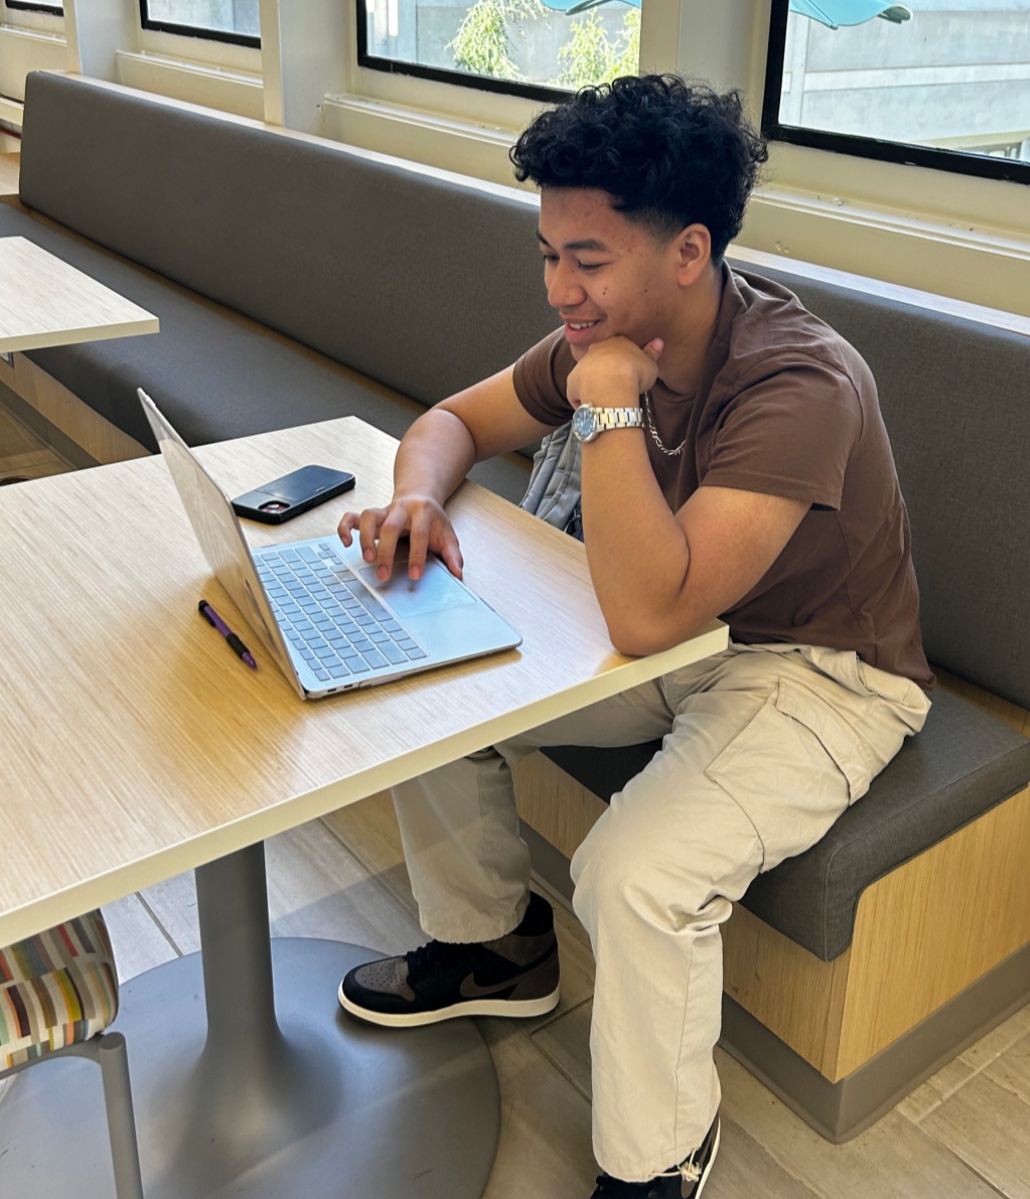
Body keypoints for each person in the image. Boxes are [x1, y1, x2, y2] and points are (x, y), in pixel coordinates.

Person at [335, 74, 934, 1199]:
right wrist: (417, 494)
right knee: (430, 681)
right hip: (684, 642)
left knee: (633, 871)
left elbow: (653, 611)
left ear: (689, 251)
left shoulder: (796, 381)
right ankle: (491, 948)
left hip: (820, 671)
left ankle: (659, 1156)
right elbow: (452, 422)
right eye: (548, 253)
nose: (561, 288)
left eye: (588, 259)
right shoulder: (605, 333)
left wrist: (605, 401)